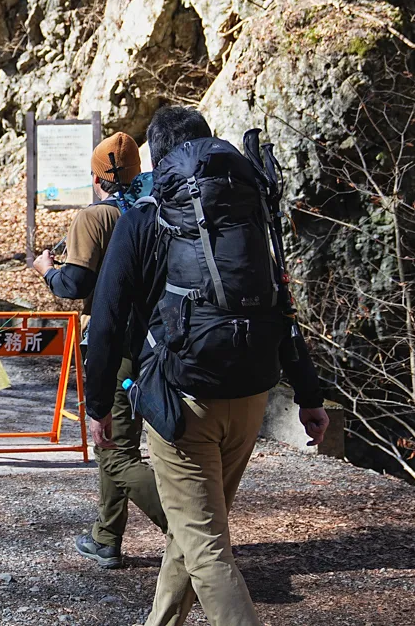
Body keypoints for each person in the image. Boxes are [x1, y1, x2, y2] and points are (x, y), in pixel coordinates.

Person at [84, 105, 330, 626]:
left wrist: (97, 404)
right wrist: (309, 395)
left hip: (182, 400)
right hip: (250, 395)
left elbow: (105, 319)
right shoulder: (246, 215)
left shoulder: (143, 220)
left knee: (207, 550)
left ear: (156, 156)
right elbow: (278, 308)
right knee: (192, 531)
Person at [33, 131, 166, 569]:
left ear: (96, 177)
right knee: (115, 441)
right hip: (156, 340)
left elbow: (76, 285)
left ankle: (188, 528)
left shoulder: (94, 218)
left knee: (114, 448)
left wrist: (47, 270)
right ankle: (106, 536)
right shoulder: (157, 208)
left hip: (114, 344)